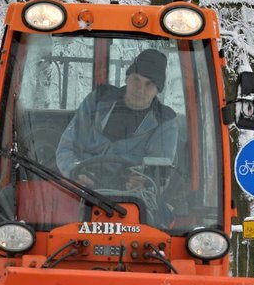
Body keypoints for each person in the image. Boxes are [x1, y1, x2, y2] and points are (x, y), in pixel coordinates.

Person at [55, 48, 179, 200]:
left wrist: (144, 183)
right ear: (127, 78)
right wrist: (75, 171)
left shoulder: (164, 122)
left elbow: (159, 174)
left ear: (157, 90)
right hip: (82, 190)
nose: (140, 89)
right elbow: (67, 147)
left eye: (149, 84)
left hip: (129, 198)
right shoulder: (97, 101)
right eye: (136, 80)